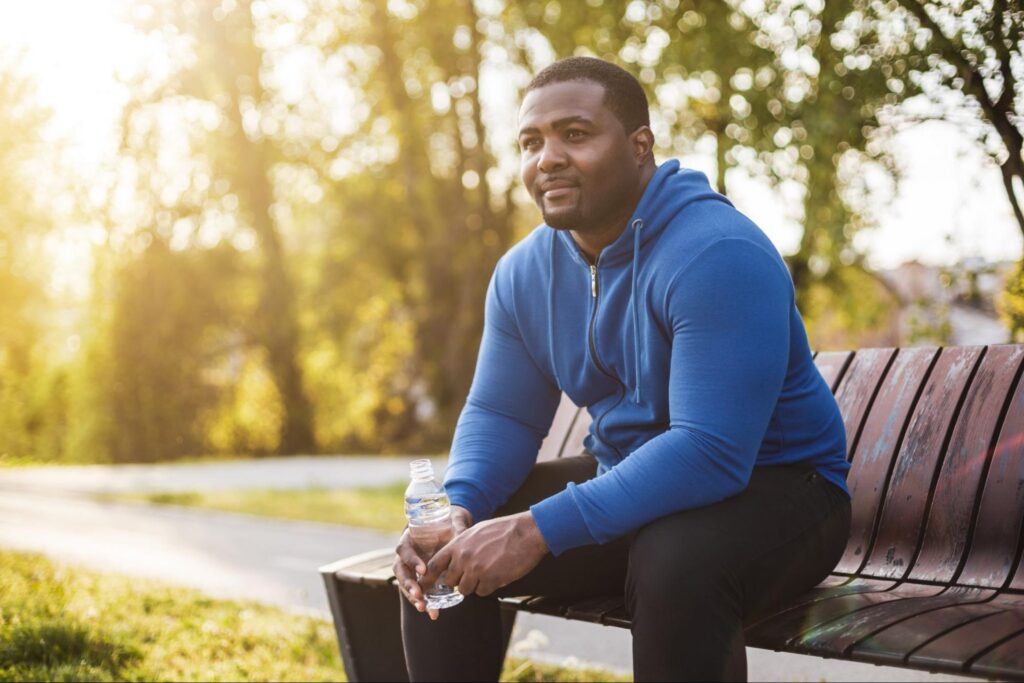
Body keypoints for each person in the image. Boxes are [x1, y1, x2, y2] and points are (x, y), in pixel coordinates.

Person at [393, 56, 852, 682]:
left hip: (780, 488)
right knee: (439, 550)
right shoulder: (524, 273)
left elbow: (710, 451)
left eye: (574, 134)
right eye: (531, 142)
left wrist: (535, 532)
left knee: (676, 563)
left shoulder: (717, 253)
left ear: (640, 147)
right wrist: (461, 506)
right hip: (633, 478)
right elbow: (501, 413)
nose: (547, 157)